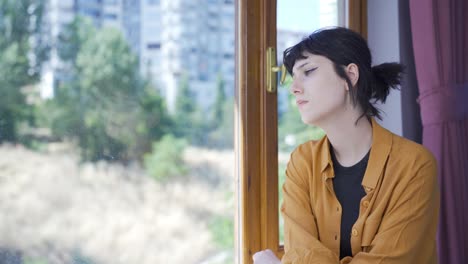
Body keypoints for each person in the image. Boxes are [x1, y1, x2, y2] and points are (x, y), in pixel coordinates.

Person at [253, 27, 439, 264]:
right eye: (293, 78)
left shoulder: (414, 166)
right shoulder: (302, 163)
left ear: (350, 75)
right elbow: (300, 252)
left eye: (308, 71)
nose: (294, 88)